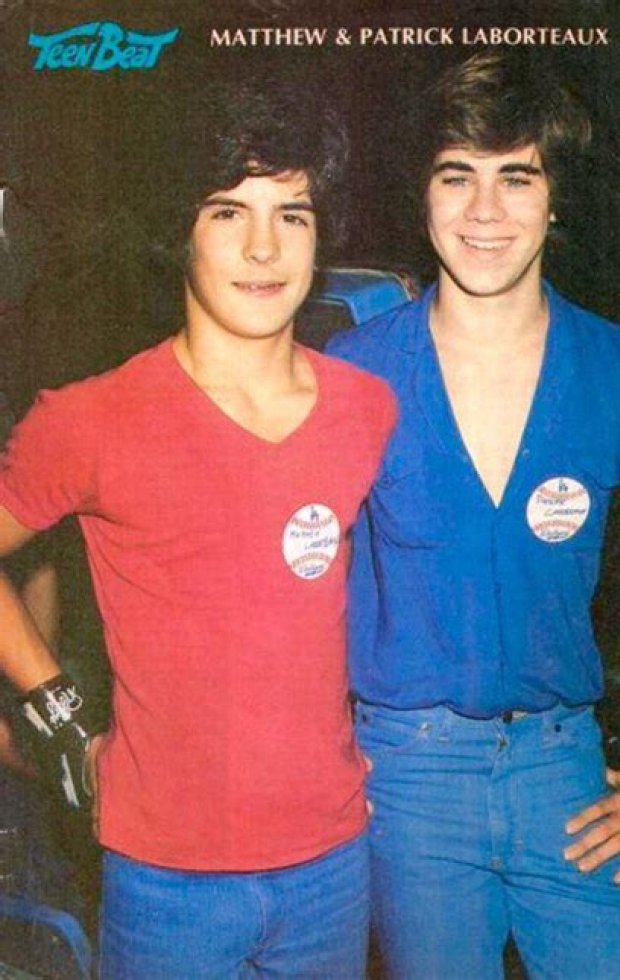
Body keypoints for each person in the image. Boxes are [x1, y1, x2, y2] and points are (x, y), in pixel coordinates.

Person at [327, 52, 620, 979]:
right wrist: (321, 755)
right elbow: (295, 582)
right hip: (407, 775)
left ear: (555, 199)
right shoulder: (351, 373)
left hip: (562, 770)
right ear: (423, 196)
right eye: (456, 175)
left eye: (517, 177)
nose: (485, 211)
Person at [0, 80, 396, 978]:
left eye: (292, 214)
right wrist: (57, 711)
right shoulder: (90, 421)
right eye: (228, 211)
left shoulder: (365, 410)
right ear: (180, 232)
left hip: (333, 865)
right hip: (164, 878)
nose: (264, 246)